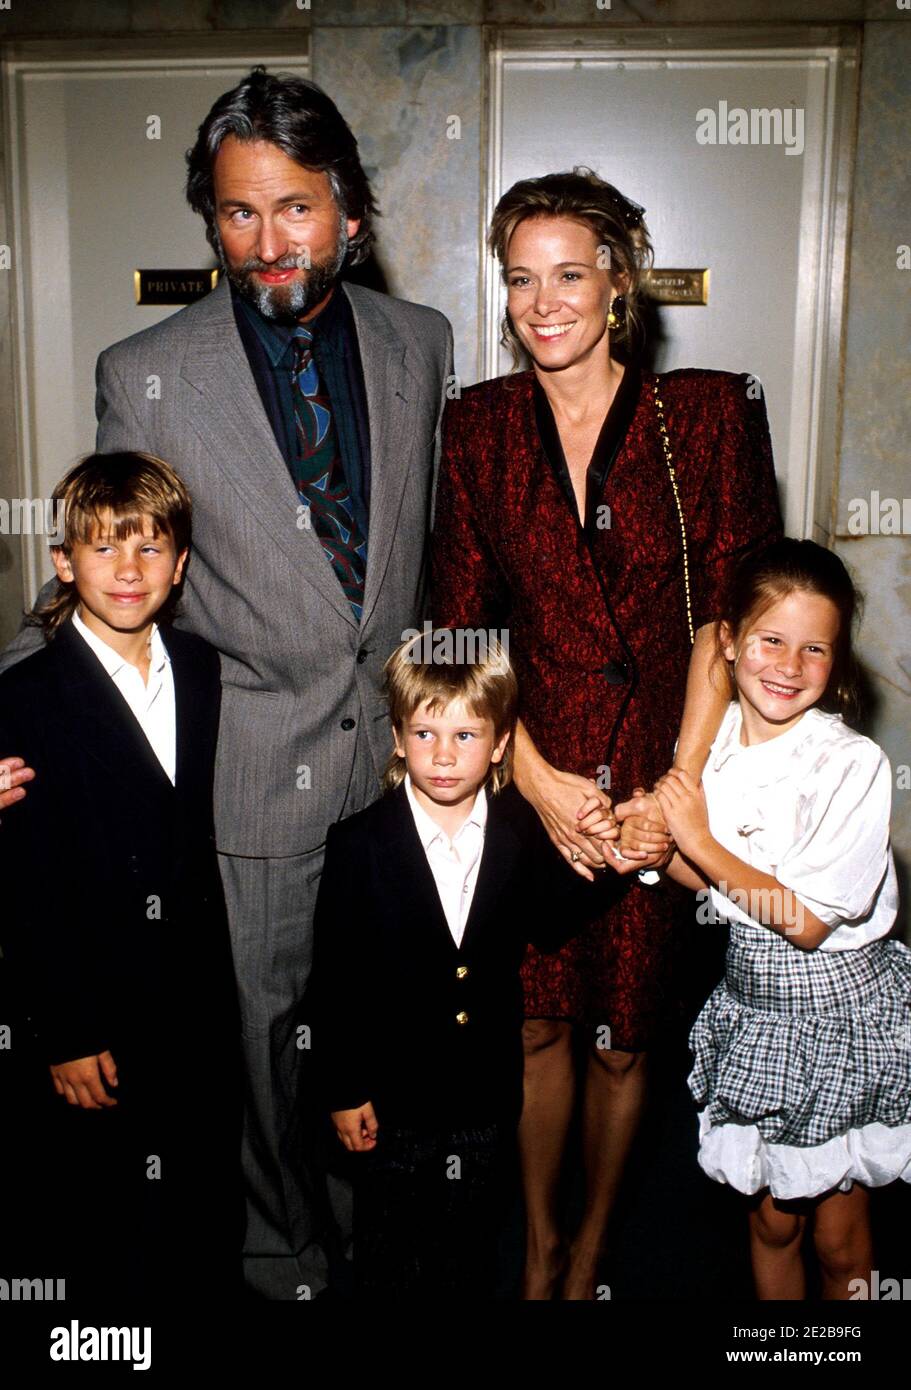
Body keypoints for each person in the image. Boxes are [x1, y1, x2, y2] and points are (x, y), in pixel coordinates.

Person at [0, 68, 452, 1299]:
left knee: (379, 1042)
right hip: (249, 779)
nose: (267, 243)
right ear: (210, 218)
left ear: (348, 209)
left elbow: (435, 555)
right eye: (237, 214)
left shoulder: (422, 342)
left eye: (295, 209)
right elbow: (116, 559)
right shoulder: (144, 370)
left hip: (402, 782)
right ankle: (280, 1265)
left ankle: (371, 1253)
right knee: (262, 1059)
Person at [431, 167, 784, 1299]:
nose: (543, 303)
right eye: (520, 279)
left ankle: (592, 1252)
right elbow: (458, 629)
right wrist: (529, 779)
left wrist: (671, 791)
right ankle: (538, 1250)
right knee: (536, 1028)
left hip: (657, 769)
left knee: (623, 1038)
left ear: (618, 283)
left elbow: (734, 618)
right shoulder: (477, 426)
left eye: (569, 275)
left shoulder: (707, 416)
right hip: (533, 774)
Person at [305, 632, 633, 1299]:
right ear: (397, 737)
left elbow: (552, 917)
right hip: (389, 1102)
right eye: (425, 734)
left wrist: (615, 856)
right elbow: (334, 983)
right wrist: (342, 1090)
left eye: (465, 736)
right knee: (390, 1258)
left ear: (501, 743)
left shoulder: (519, 832)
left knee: (466, 1251)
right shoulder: (359, 844)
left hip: (484, 1096)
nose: (444, 756)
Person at [0, 452, 243, 1304]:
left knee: (200, 1207)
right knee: (105, 1223)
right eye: (102, 548)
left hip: (196, 1003)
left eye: (149, 547)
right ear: (63, 562)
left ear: (181, 564)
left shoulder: (203, 668)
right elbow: (27, 885)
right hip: (95, 1008)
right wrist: (65, 1028)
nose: (128, 570)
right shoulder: (24, 697)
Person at [654, 538, 910, 1300]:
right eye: (769, 640)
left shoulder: (850, 766)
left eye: (814, 648)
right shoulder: (716, 741)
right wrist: (641, 846)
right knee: (769, 1224)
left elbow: (800, 921)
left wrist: (691, 835)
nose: (788, 667)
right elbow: (707, 886)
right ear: (731, 642)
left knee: (837, 1237)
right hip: (756, 1009)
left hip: (837, 1019)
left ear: (837, 662)